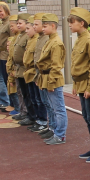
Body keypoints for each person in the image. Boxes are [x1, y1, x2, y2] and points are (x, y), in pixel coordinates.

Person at [68, 8, 90, 162]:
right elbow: (78, 64)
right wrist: (76, 84)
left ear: (82, 23)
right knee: (86, 116)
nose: (70, 25)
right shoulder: (79, 38)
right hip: (81, 83)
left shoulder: (89, 40)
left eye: (72, 22)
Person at [36, 13, 67, 145]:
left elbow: (56, 65)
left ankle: (60, 135)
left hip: (52, 78)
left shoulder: (56, 43)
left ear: (53, 26)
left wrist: (51, 81)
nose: (43, 29)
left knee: (58, 108)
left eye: (45, 26)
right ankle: (54, 129)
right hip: (46, 77)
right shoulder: (50, 40)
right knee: (52, 107)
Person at [22, 16, 49, 129]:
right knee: (34, 98)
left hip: (39, 73)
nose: (33, 27)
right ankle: (38, 119)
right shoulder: (37, 39)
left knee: (42, 100)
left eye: (35, 25)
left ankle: (43, 121)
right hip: (32, 72)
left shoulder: (45, 40)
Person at [32, 14, 56, 139]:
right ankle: (51, 126)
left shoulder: (51, 40)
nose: (34, 27)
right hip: (41, 75)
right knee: (45, 102)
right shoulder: (41, 39)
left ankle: (56, 130)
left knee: (52, 106)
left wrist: (51, 81)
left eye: (37, 24)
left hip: (48, 76)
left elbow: (55, 64)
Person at [0, 2, 18, 114]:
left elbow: (12, 38)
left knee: (10, 80)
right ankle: (12, 103)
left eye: (1, 11)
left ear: (7, 11)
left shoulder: (9, 23)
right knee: (6, 80)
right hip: (2, 55)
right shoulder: (2, 23)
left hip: (7, 55)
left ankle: (14, 105)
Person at [9, 13, 32, 122]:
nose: (18, 25)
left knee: (26, 93)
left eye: (20, 23)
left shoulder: (27, 36)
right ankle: (23, 111)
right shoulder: (19, 35)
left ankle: (28, 113)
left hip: (24, 69)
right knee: (20, 92)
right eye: (17, 23)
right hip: (18, 68)